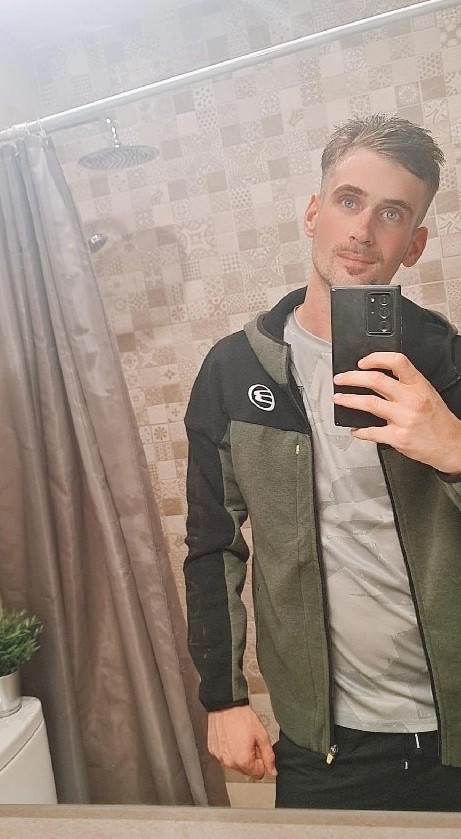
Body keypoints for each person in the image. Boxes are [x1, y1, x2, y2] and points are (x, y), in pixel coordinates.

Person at [183, 114, 461, 811]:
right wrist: (223, 698)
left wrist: (453, 448)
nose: (363, 229)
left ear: (414, 243)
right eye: (348, 200)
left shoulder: (444, 360)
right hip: (324, 743)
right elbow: (213, 544)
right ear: (313, 213)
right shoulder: (235, 371)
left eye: (391, 213)